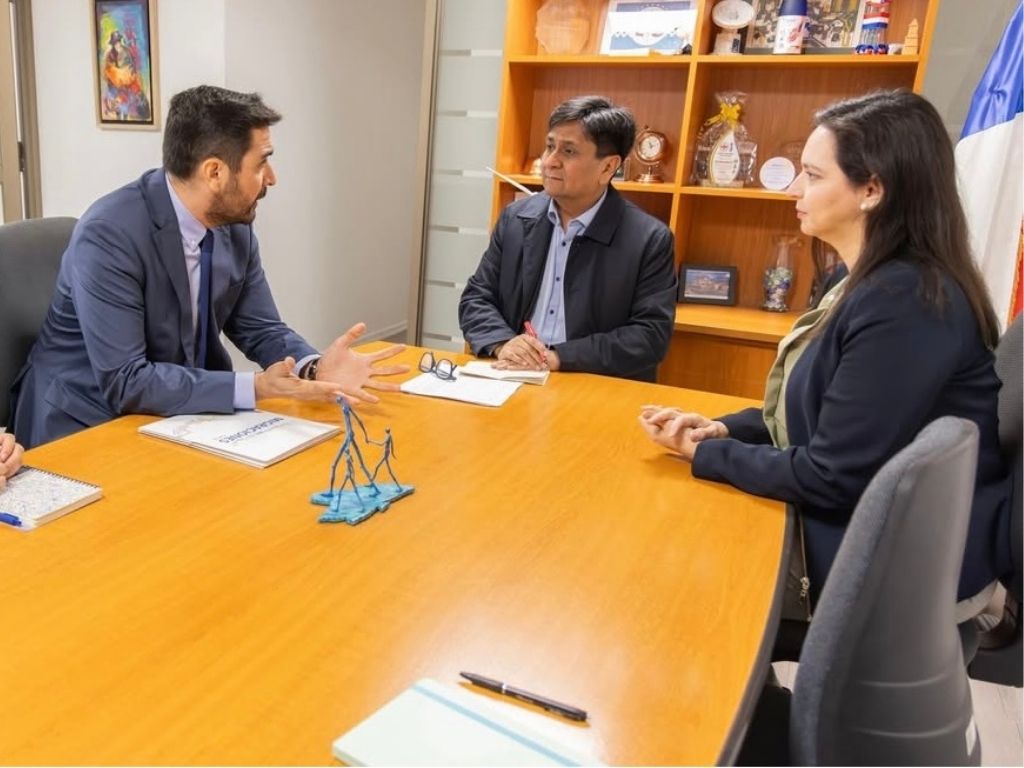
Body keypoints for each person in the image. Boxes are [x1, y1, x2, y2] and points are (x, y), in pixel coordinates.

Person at [639, 90, 1012, 640]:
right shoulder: (860, 278)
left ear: (872, 189)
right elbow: (821, 418)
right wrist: (723, 430)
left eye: (813, 175)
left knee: (661, 558)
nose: (794, 188)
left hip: (883, 562)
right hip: (852, 521)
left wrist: (707, 454)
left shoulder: (906, 303)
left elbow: (831, 475)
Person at [11, 85, 407, 449]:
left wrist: (315, 367)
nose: (271, 179)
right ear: (215, 172)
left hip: (177, 415)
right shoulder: (109, 234)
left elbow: (260, 328)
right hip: (85, 421)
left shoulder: (233, 226)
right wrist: (256, 388)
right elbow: (126, 381)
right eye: (261, 164)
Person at [458, 95, 677, 382]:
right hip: (512, 373)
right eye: (550, 146)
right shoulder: (516, 218)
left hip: (591, 380)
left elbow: (649, 336)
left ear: (608, 167)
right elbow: (477, 297)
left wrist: (559, 357)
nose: (550, 162)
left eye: (569, 151)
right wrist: (503, 343)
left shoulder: (649, 239)